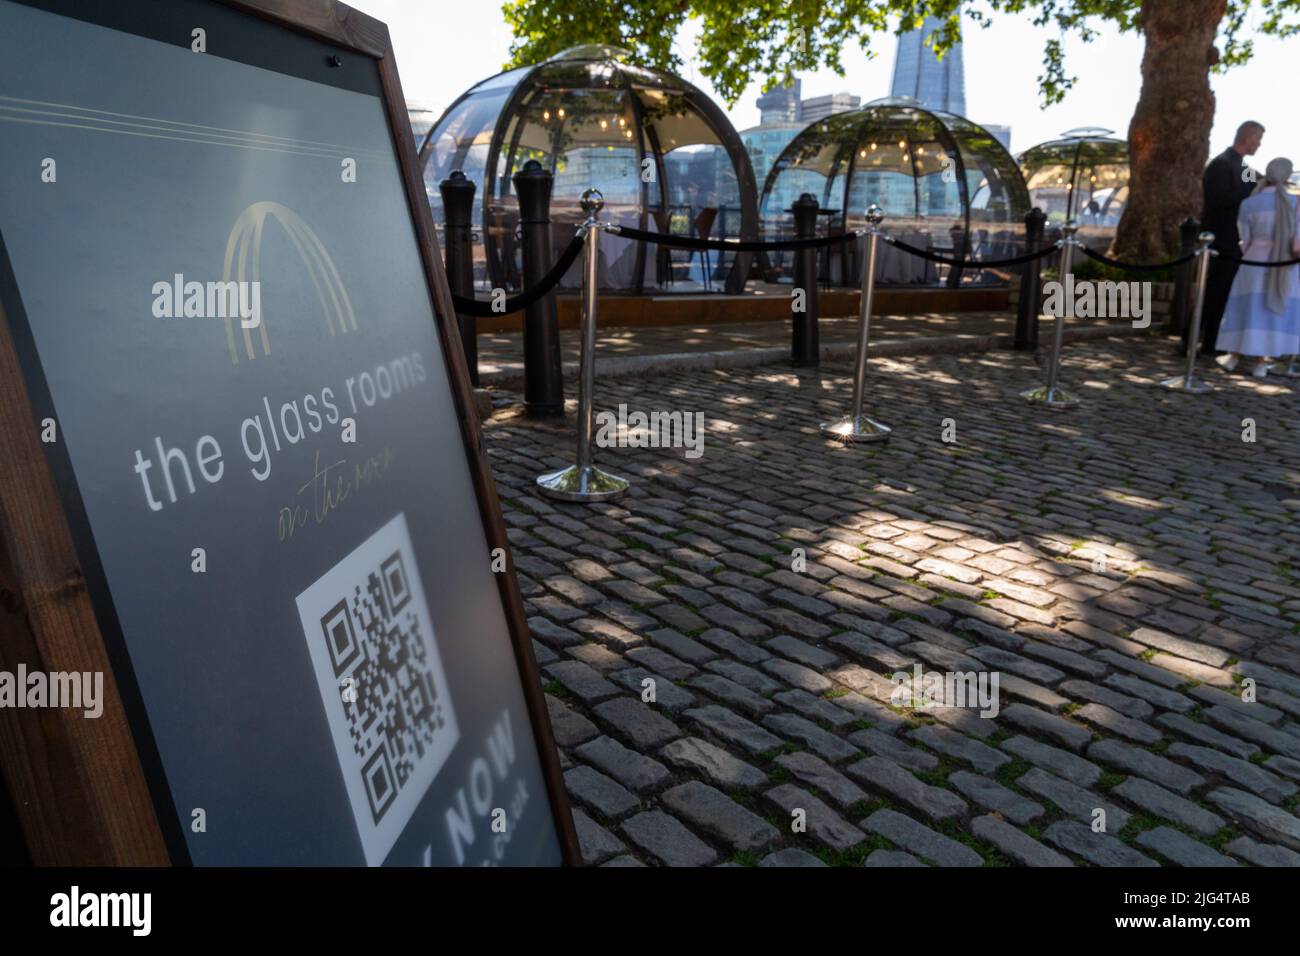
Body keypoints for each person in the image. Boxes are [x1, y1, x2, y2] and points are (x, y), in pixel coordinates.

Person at [1214, 157, 1300, 377]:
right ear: (1287, 176)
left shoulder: (1249, 203)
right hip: (1284, 264)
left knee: (1247, 309)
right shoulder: (1295, 204)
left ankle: (1234, 356)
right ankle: (1262, 362)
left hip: (1253, 262)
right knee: (1272, 311)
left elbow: (1244, 238)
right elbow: (1297, 243)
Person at [1189, 121, 1265, 355]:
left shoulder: (1242, 167)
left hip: (1233, 242)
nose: (1259, 144)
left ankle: (1210, 342)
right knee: (1211, 291)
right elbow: (1220, 199)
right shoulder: (1221, 164)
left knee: (1221, 294)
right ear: (1247, 137)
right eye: (1258, 139)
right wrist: (1249, 194)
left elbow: (1262, 179)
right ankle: (1188, 340)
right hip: (1218, 240)